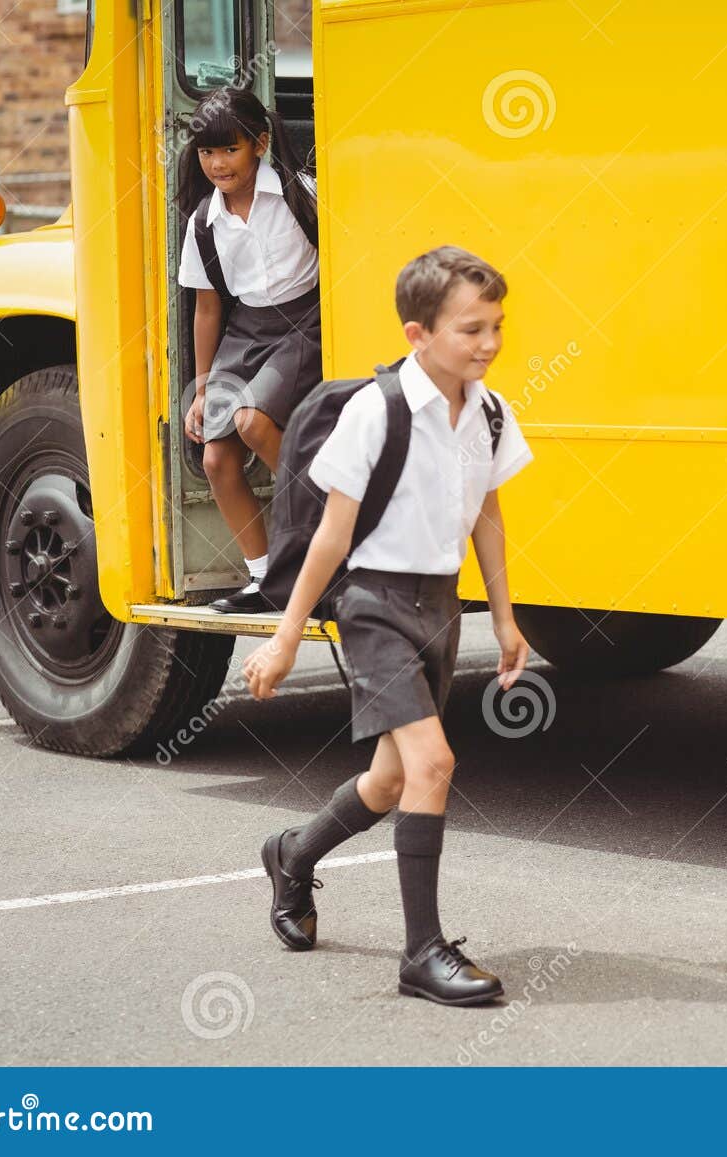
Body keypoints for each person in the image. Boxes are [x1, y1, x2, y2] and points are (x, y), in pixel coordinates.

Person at [242, 245, 534, 1006]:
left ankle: (293, 853)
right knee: (433, 763)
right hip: (374, 606)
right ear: (418, 333)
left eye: (497, 325)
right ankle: (421, 953)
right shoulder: (376, 411)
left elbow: (489, 519)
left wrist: (505, 620)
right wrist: (285, 636)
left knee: (391, 778)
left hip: (440, 605)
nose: (490, 343)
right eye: (472, 329)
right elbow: (331, 536)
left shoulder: (490, 411)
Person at [177, 86, 322, 614]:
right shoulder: (203, 223)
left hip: (306, 323)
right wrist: (202, 388)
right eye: (207, 152)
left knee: (252, 422)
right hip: (246, 332)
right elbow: (207, 310)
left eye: (229, 149)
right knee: (215, 458)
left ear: (259, 144)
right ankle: (266, 579)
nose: (218, 163)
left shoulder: (299, 195)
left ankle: (330, 520)